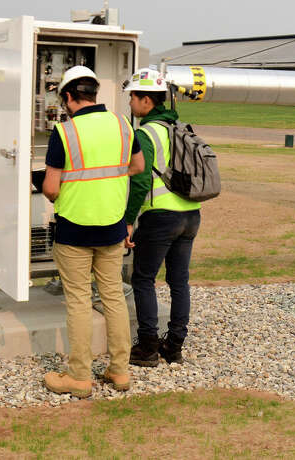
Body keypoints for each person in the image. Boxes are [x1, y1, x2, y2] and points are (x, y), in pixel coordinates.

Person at [41, 65, 143, 397]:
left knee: (79, 302)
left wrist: (56, 190)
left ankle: (80, 377)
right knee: (113, 296)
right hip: (112, 227)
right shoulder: (123, 125)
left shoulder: (65, 132)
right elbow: (138, 166)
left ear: (69, 96)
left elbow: (51, 188)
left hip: (74, 230)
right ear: (94, 93)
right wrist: (110, 180)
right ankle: (120, 371)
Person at [123, 66, 202, 367]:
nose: (130, 102)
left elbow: (141, 180)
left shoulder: (145, 133)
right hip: (190, 215)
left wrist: (128, 220)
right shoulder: (179, 128)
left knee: (143, 278)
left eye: (133, 97)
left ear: (146, 101)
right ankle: (174, 345)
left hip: (160, 217)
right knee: (179, 281)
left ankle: (147, 347)